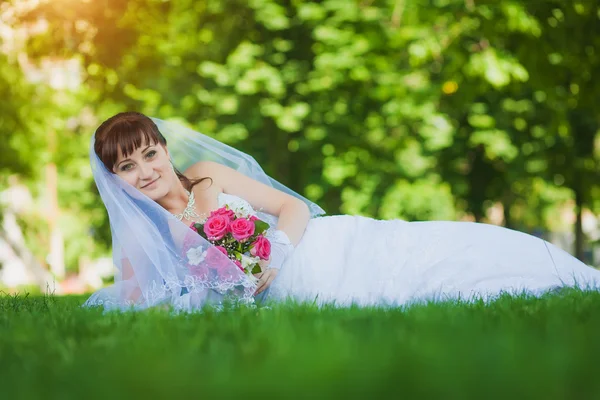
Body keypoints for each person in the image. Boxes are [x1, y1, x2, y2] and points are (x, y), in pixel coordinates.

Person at [84, 112, 600, 312]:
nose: (145, 171)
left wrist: (278, 249)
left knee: (431, 246)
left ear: (165, 150)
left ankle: (557, 266)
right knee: (411, 289)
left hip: (318, 245)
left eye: (150, 153)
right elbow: (148, 302)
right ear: (116, 180)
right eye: (127, 167)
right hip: (289, 290)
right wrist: (235, 282)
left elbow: (290, 207)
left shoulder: (207, 174)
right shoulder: (146, 233)